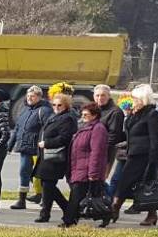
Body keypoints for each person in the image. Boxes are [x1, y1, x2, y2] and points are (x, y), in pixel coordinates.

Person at [111, 84, 158, 226]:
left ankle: (117, 208)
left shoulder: (153, 115)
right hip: (132, 154)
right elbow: (127, 133)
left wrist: (152, 162)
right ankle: (115, 208)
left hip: (146, 156)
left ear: (142, 99)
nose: (132, 100)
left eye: (135, 98)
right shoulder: (135, 114)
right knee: (125, 183)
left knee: (146, 186)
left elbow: (155, 140)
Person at [33, 92, 78, 224]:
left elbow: (64, 138)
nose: (56, 107)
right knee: (48, 186)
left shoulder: (67, 118)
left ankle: (46, 214)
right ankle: (68, 211)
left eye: (60, 105)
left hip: (55, 157)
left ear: (66, 106)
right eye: (54, 104)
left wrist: (47, 143)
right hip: (47, 156)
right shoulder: (55, 116)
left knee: (48, 186)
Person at [65, 102, 109, 228]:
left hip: (87, 169)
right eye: (82, 114)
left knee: (77, 196)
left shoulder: (98, 129)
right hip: (79, 167)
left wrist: (93, 173)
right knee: (92, 196)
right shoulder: (85, 127)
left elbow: (97, 152)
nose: (83, 116)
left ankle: (69, 221)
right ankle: (106, 215)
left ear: (94, 116)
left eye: (86, 114)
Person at [9, 85, 52, 209]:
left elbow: (48, 128)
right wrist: (10, 145)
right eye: (28, 96)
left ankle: (45, 198)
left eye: (32, 96)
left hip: (37, 148)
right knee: (24, 172)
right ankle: (21, 200)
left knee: (40, 175)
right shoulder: (25, 110)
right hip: (25, 147)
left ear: (39, 97)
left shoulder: (44, 110)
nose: (29, 98)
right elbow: (17, 128)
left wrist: (45, 143)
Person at [94, 84, 126, 190]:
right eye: (97, 95)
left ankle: (107, 201)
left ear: (109, 96)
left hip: (105, 152)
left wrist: (100, 151)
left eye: (103, 95)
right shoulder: (94, 109)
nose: (100, 98)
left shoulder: (115, 112)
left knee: (100, 180)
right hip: (91, 151)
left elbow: (113, 137)